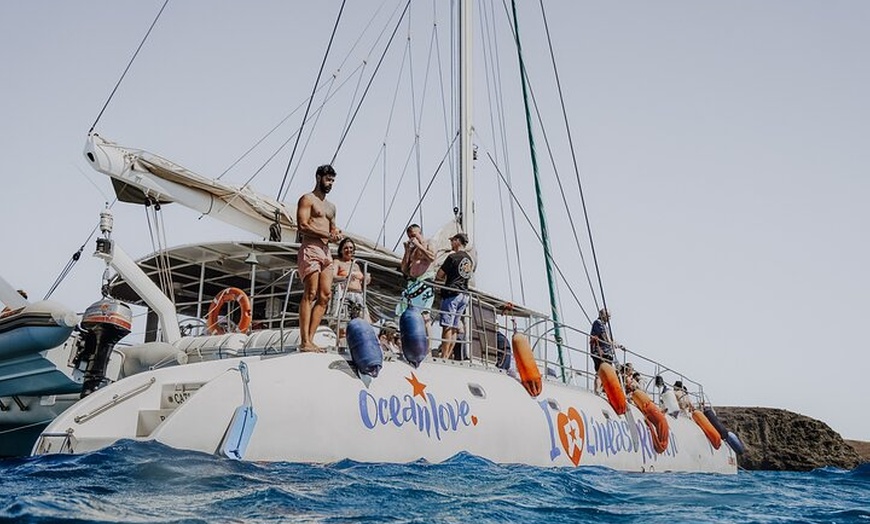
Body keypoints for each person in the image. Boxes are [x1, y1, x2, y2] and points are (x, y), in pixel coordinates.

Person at [296, 164, 341, 352]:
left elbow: (333, 228)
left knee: (325, 295)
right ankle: (304, 340)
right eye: (327, 179)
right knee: (311, 292)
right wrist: (327, 233)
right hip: (311, 247)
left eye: (332, 180)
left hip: (326, 251)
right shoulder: (307, 199)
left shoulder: (331, 207)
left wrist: (336, 233)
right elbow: (302, 225)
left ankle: (311, 340)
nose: (330, 183)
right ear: (318, 178)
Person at [437, 232, 474, 360]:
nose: (451, 243)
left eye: (452, 241)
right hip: (464, 294)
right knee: (454, 327)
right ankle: (447, 355)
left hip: (452, 294)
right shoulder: (469, 259)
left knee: (447, 326)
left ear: (458, 241)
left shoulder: (452, 257)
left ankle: (444, 356)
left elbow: (439, 275)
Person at [398, 224, 436, 317]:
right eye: (410, 236)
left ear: (420, 233)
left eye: (414, 235)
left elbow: (432, 257)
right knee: (407, 313)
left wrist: (418, 245)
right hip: (412, 283)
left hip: (424, 282)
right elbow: (404, 269)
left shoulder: (429, 243)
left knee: (423, 315)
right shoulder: (413, 249)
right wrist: (407, 251)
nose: (412, 238)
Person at [332, 237, 371, 321]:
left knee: (366, 321)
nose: (348, 250)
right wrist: (346, 277)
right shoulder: (337, 262)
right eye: (345, 248)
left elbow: (362, 281)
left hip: (359, 296)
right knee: (344, 322)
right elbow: (333, 277)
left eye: (351, 248)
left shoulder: (356, 264)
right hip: (345, 295)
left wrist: (366, 279)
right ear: (341, 250)